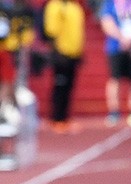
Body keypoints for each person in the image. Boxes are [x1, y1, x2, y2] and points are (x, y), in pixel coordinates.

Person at [99, 0, 131, 127]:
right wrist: (121, 38)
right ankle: (114, 111)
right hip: (116, 47)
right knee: (115, 79)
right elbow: (106, 22)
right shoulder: (111, 3)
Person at [42, 0, 85, 133]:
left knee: (69, 87)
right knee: (60, 87)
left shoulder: (75, 8)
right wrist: (55, 52)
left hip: (74, 53)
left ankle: (64, 118)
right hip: (60, 53)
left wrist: (80, 51)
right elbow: (51, 31)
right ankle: (57, 118)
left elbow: (79, 32)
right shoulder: (54, 6)